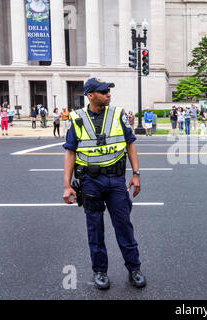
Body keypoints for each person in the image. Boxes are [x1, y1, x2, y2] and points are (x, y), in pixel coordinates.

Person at [62, 77, 146, 290]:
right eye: (103, 91)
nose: (108, 94)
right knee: (95, 230)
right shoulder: (77, 118)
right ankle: (100, 271)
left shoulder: (118, 115)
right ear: (90, 95)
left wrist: (136, 174)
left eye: (109, 90)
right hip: (90, 182)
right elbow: (70, 153)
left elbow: (130, 145)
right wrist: (66, 185)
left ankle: (134, 268)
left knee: (124, 226)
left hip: (116, 181)